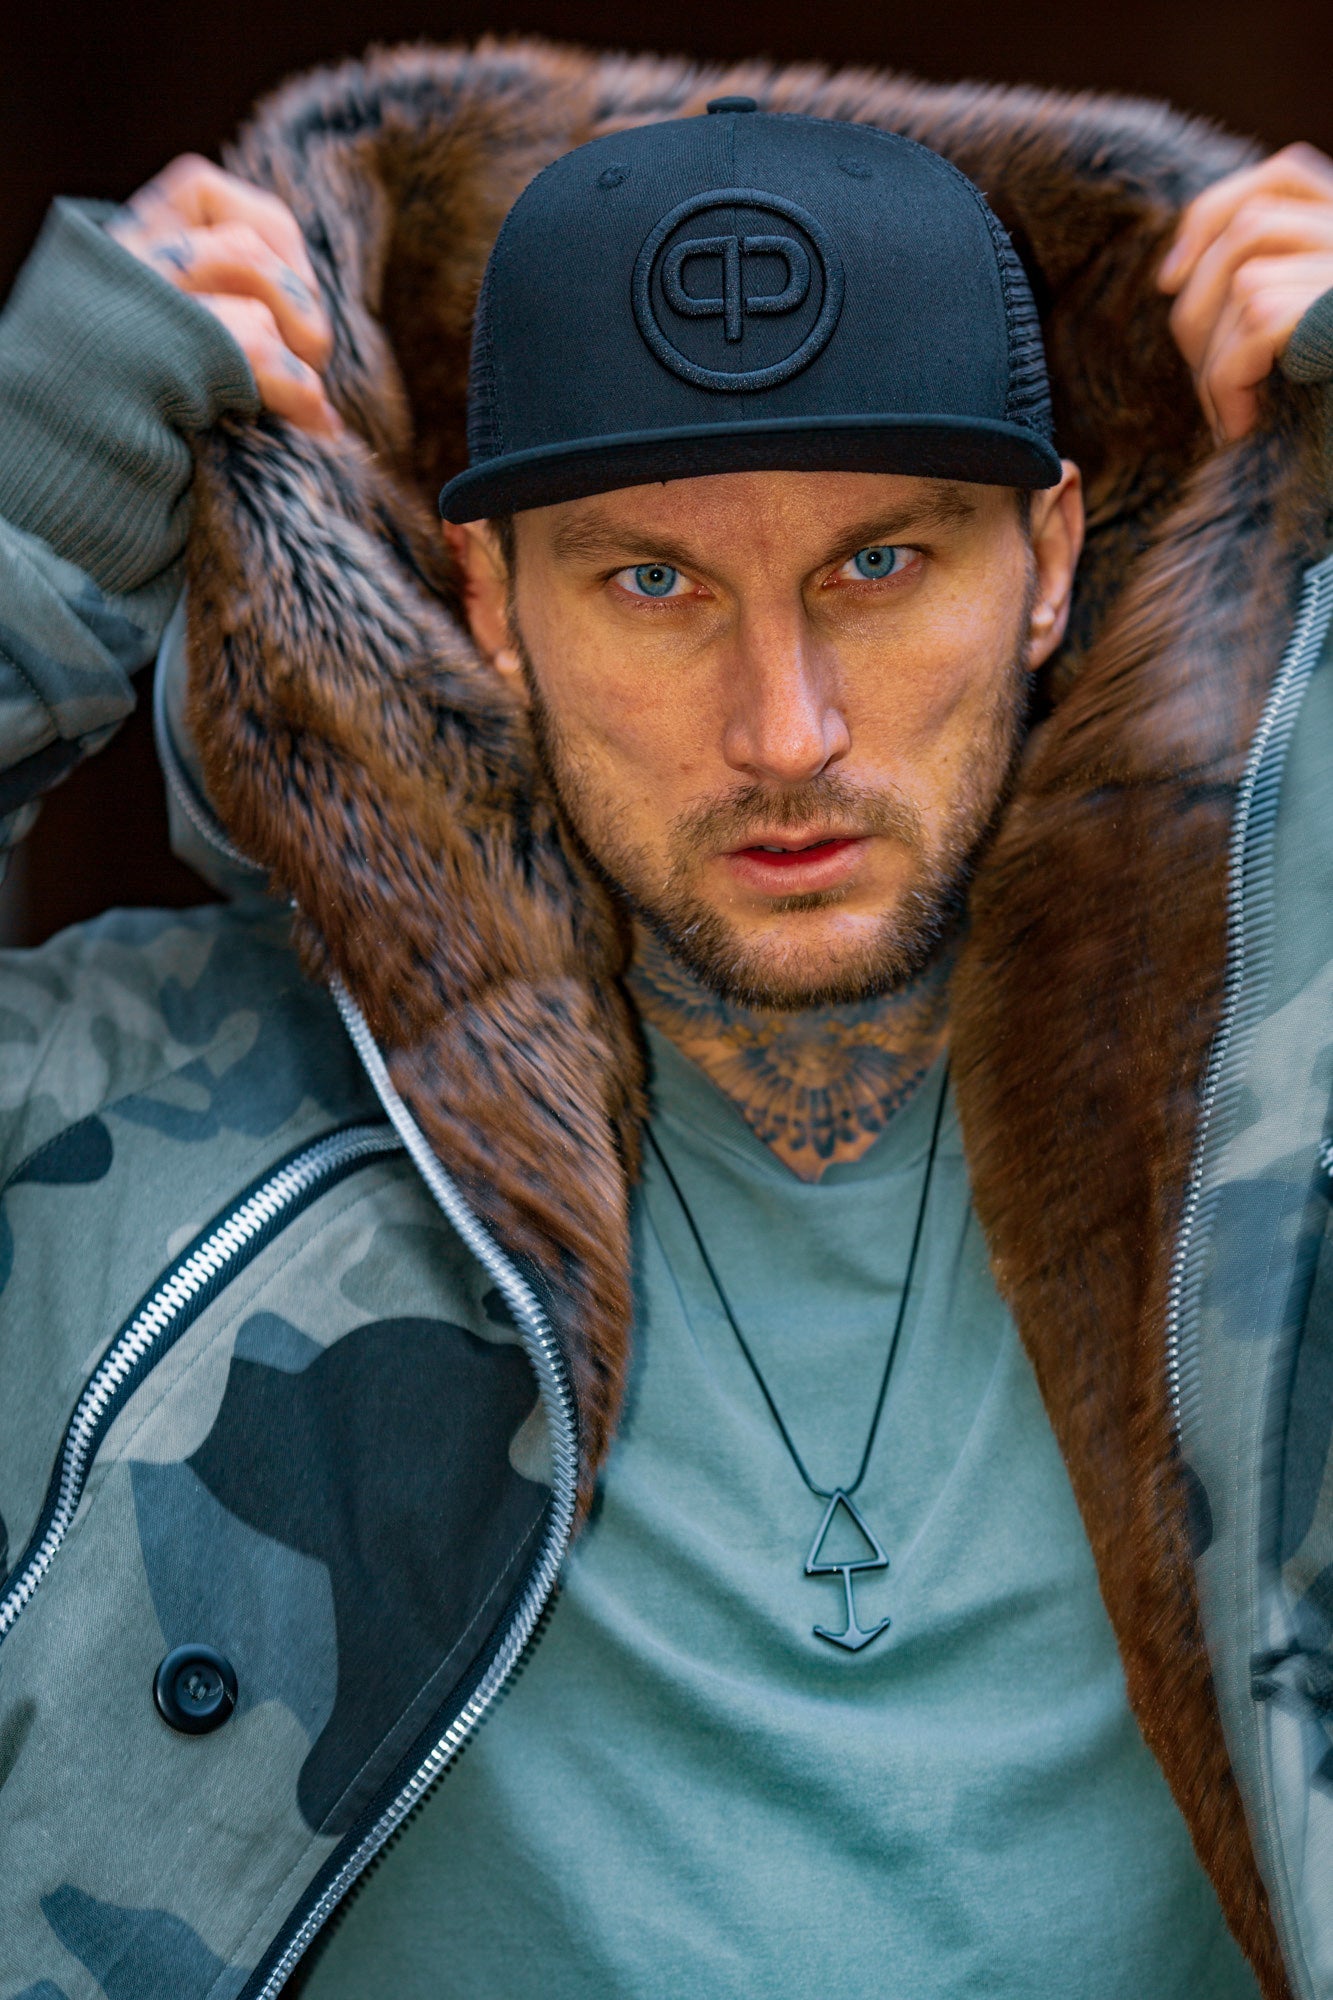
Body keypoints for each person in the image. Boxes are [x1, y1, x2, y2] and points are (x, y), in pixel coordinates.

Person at [1, 38, 1333, 2000]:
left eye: (879, 564)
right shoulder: (130, 1123)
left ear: (1046, 563)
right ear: (491, 600)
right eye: (651, 583)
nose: (783, 728)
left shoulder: (1284, 1111)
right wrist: (30, 495)